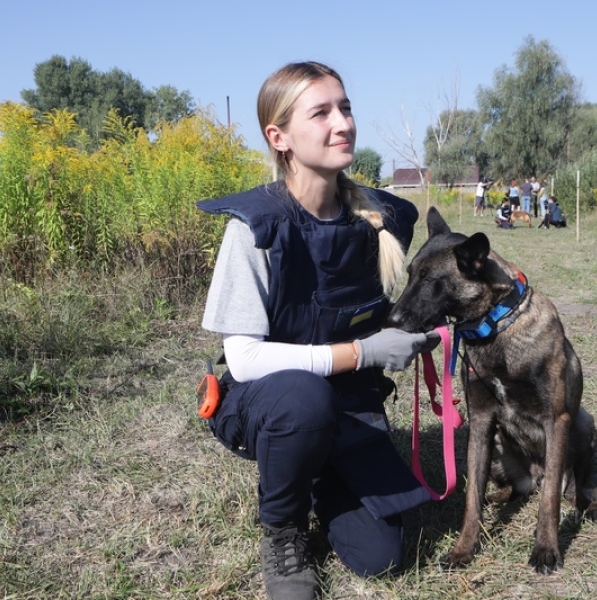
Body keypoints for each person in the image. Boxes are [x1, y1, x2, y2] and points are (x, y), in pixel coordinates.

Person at [196, 61, 439, 600]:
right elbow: (244, 362)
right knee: (302, 401)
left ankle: (319, 476)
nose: (344, 123)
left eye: (346, 108)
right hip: (268, 403)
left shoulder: (382, 219)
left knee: (381, 558)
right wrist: (363, 351)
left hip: (348, 412)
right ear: (278, 137)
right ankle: (282, 531)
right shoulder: (255, 228)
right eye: (322, 112)